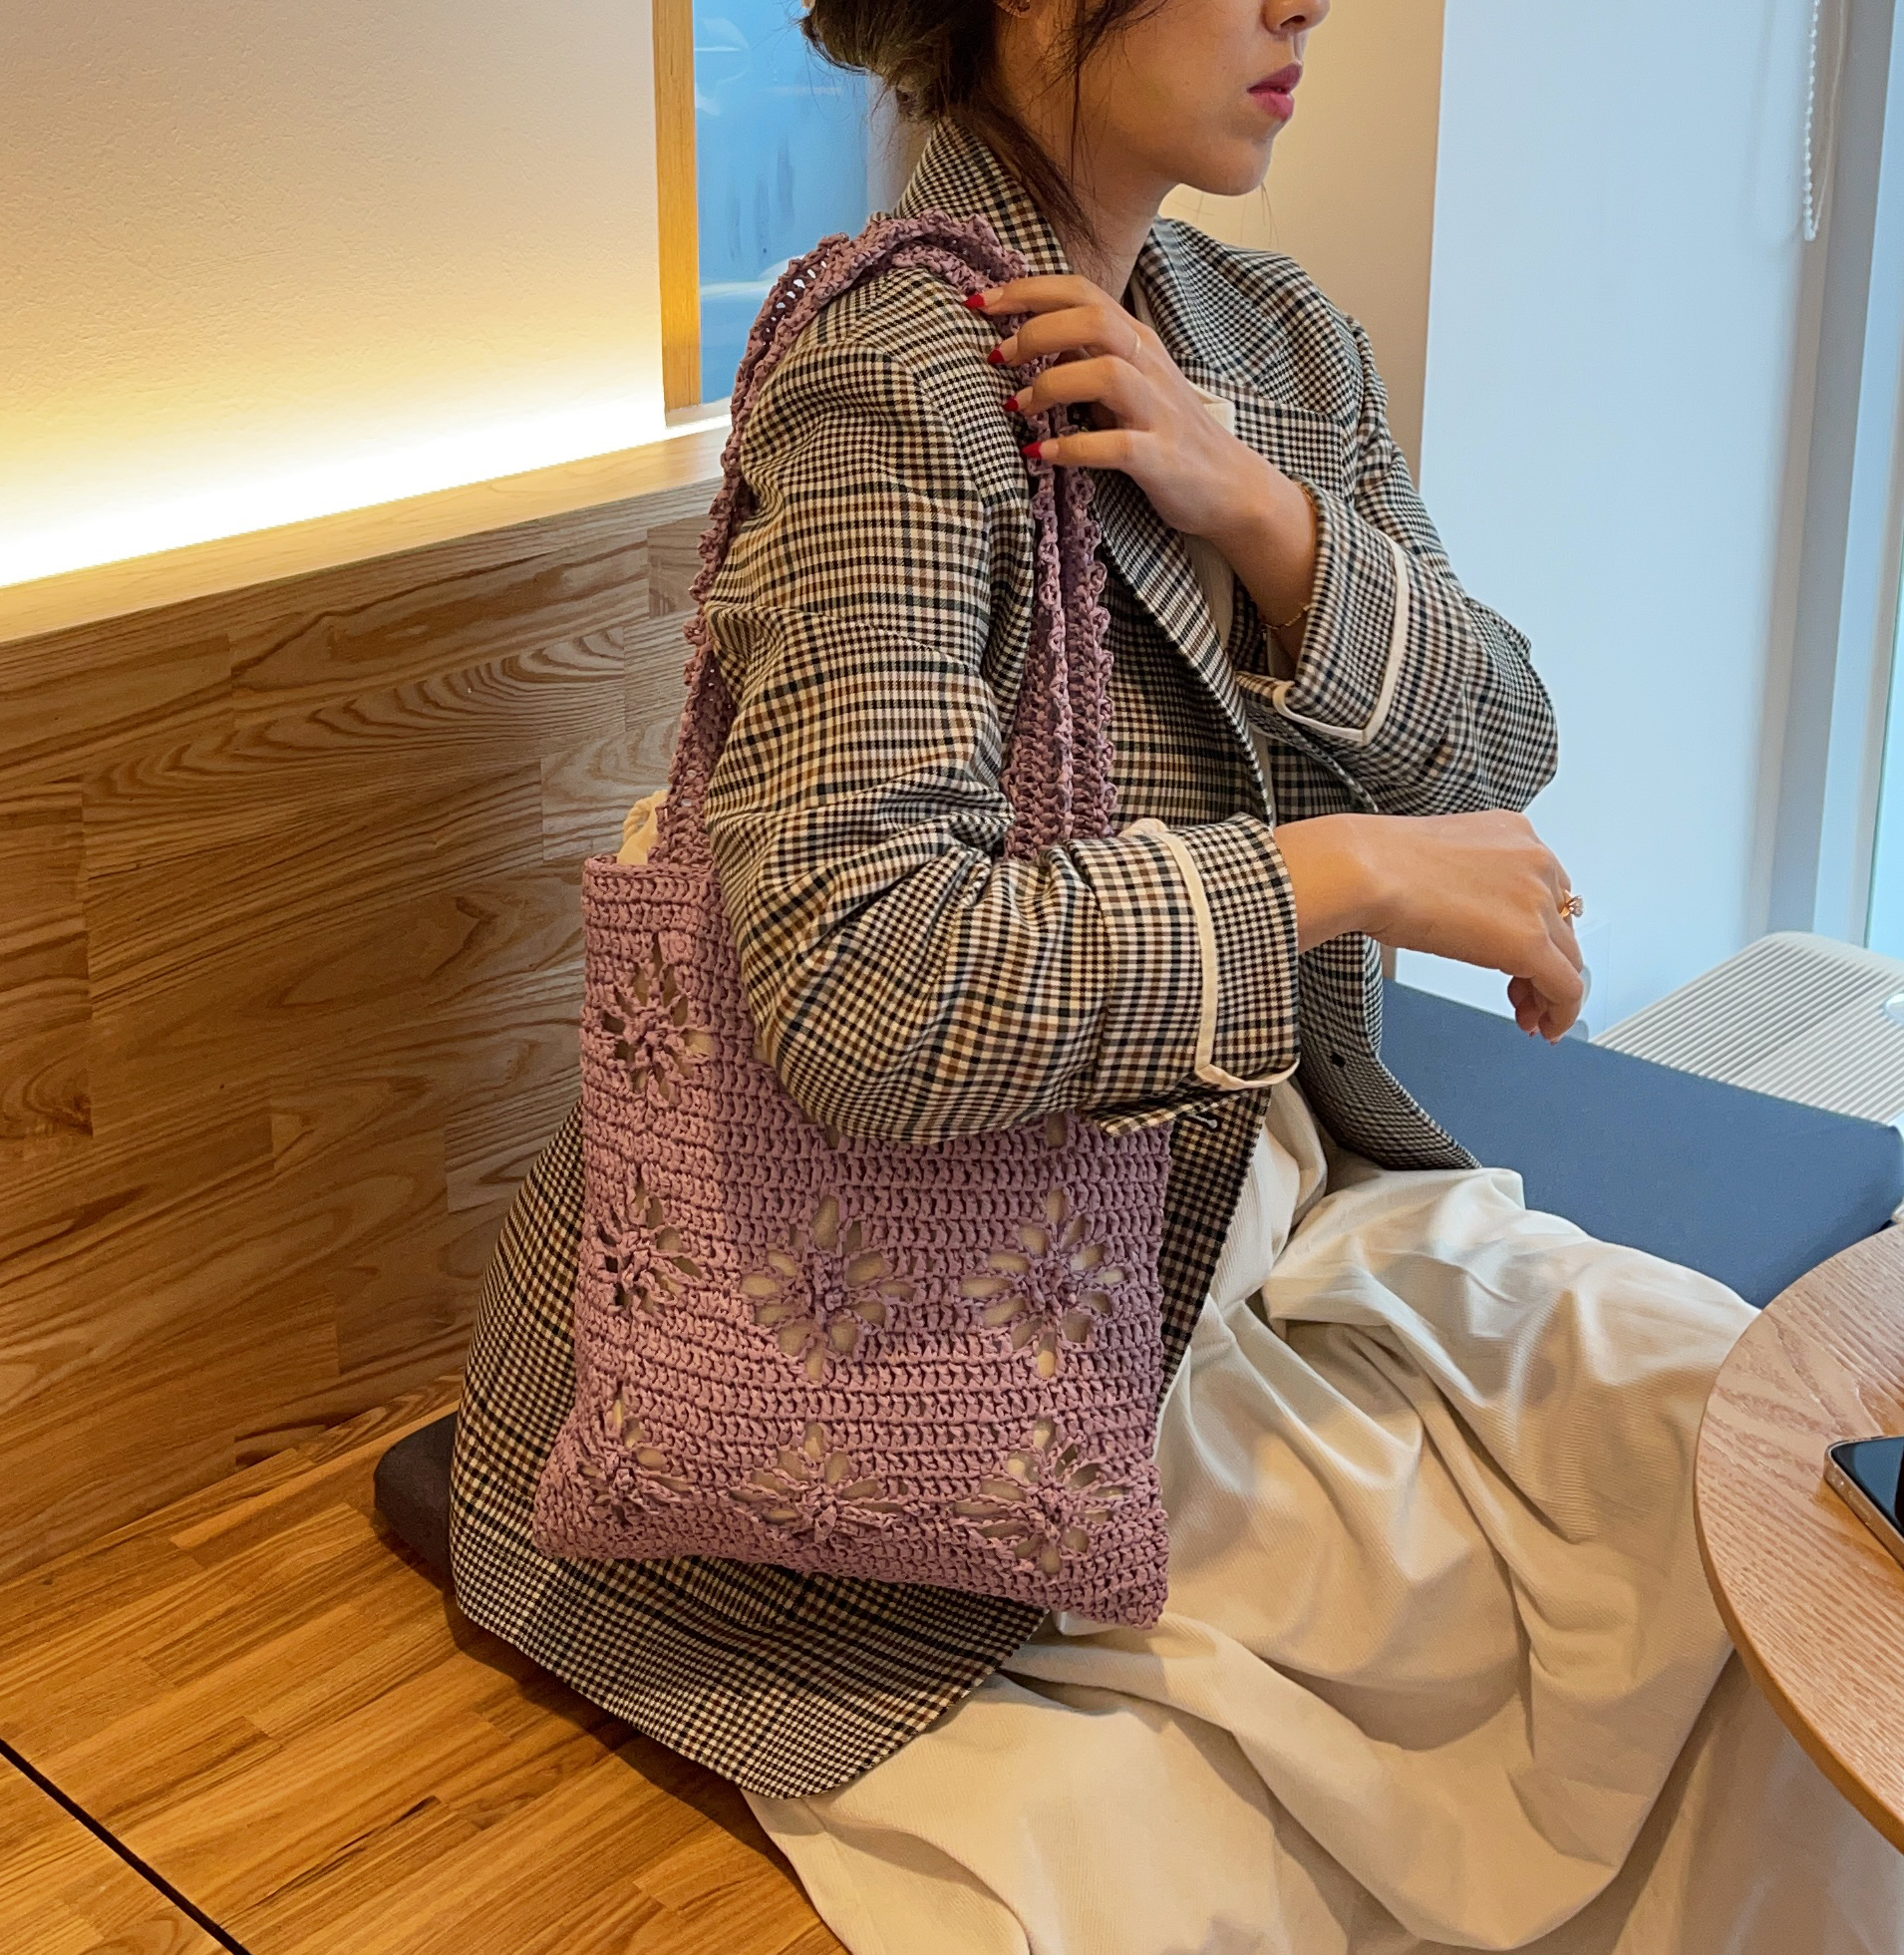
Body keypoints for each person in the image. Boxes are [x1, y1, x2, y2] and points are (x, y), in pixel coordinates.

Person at [449, 1, 1904, 1947]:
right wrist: (1334, 870)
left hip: (1281, 1213)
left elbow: (1502, 738)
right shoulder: (891, 375)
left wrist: (1270, 521)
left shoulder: (1274, 344)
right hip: (946, 1300)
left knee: (1761, 1482)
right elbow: (862, 990)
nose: (1306, 2)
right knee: (1516, 1659)